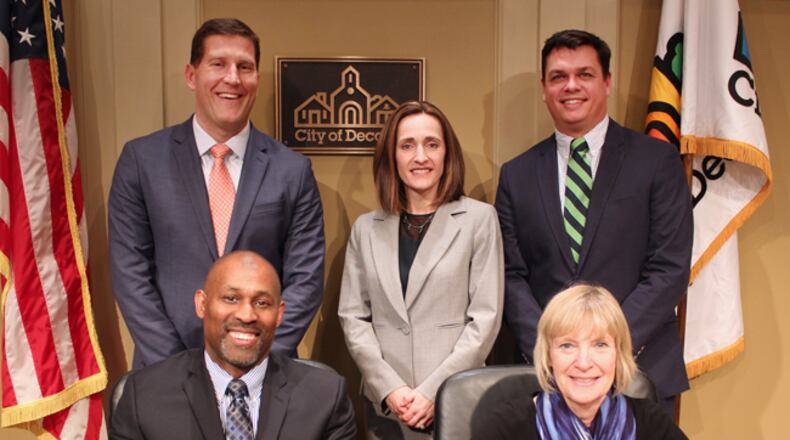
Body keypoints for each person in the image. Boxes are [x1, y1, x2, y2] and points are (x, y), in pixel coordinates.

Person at [495, 29, 693, 413]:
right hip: (547, 376)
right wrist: (554, 350)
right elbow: (510, 275)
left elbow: (669, 267)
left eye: (585, 74)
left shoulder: (657, 162)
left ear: (607, 82)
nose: (571, 86)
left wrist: (606, 347)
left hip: (639, 368)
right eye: (558, 76)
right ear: (544, 87)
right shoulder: (516, 175)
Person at [108, 18, 324, 367]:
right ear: (192, 75)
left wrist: (255, 363)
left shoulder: (293, 171)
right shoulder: (141, 161)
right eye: (218, 64)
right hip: (167, 375)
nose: (233, 78)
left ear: (256, 78)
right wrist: (179, 370)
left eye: (245, 67)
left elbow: (306, 281)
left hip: (262, 379)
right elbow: (131, 274)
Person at [338, 100, 504, 439]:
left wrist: (431, 391)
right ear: (392, 156)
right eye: (407, 145)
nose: (421, 157)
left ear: (447, 154)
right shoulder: (365, 228)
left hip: (454, 400)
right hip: (386, 408)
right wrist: (390, 388)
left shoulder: (479, 220)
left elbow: (485, 320)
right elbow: (353, 318)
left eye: (432, 144)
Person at [110, 251, 356, 440]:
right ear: (202, 305)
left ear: (280, 314)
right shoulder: (142, 396)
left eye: (262, 303)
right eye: (231, 298)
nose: (247, 315)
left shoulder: (325, 396)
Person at [471, 285, 687, 439]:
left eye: (600, 345)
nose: (584, 363)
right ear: (548, 356)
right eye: (567, 346)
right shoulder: (504, 429)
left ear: (618, 354)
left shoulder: (650, 423)